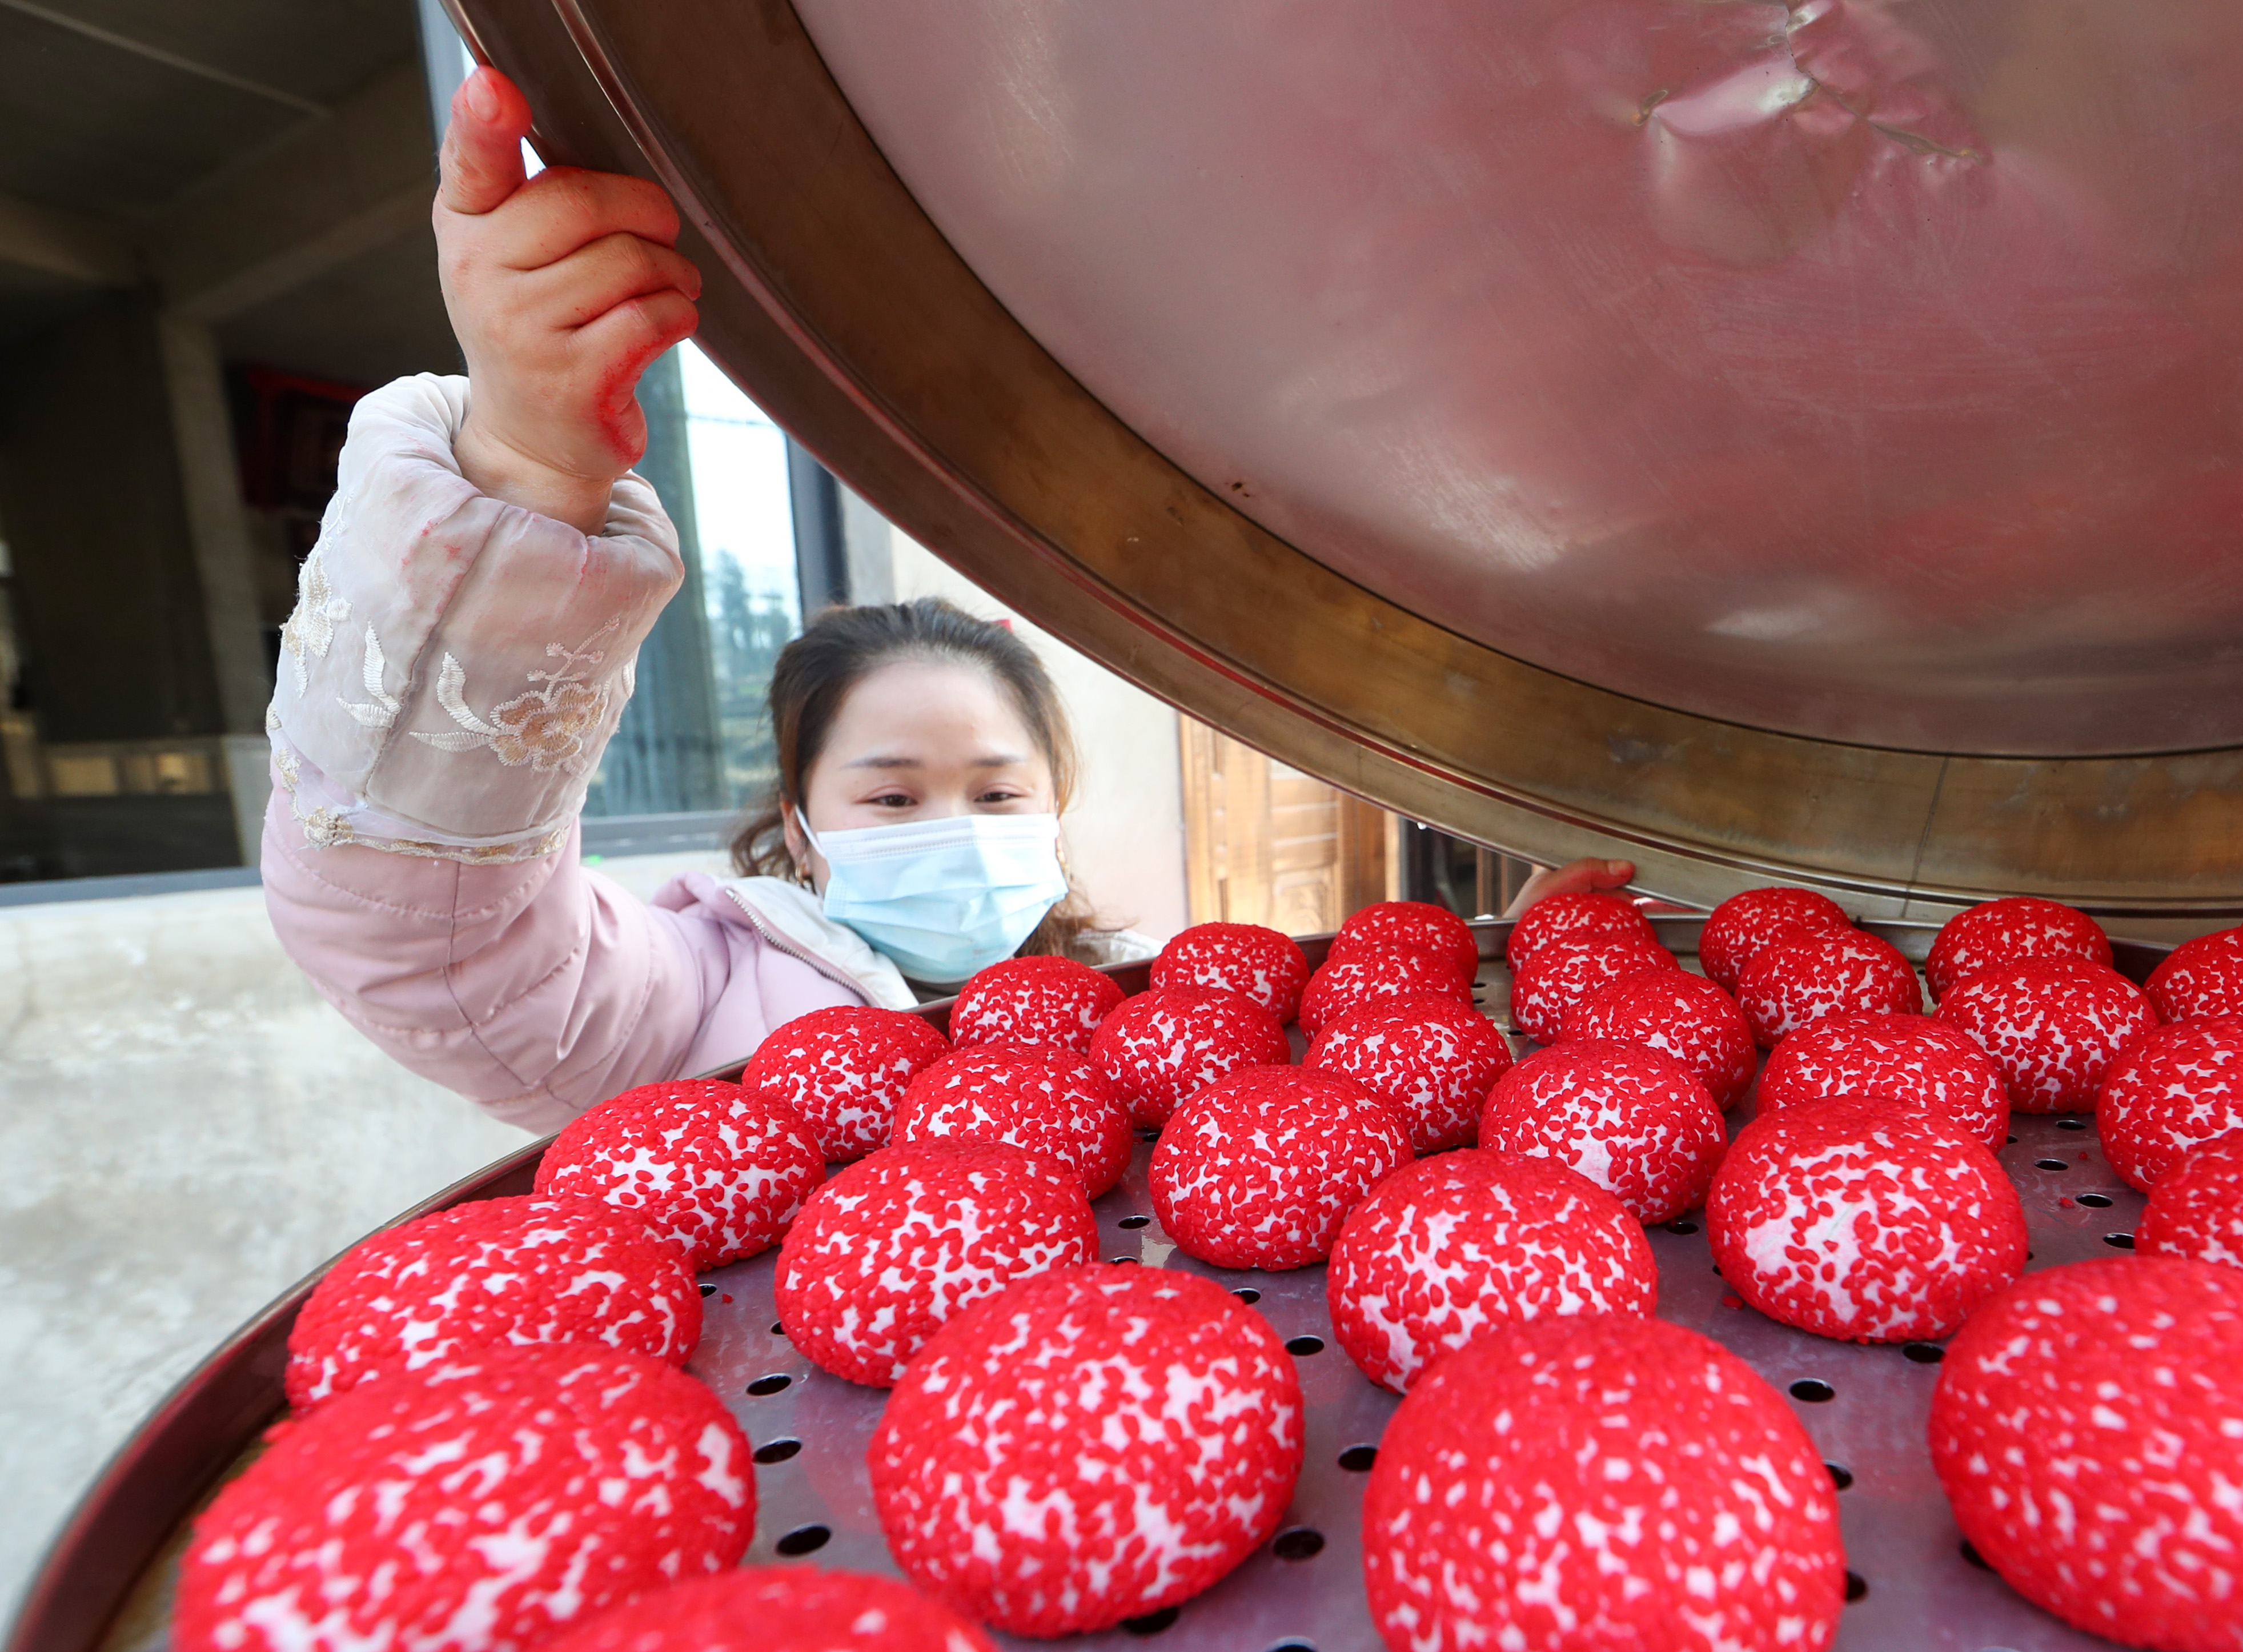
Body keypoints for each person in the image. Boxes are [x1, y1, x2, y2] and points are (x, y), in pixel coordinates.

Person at [264, 67, 1622, 1131]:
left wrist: (1517, 970)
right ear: (802, 826)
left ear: (1055, 806)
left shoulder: (1146, 995)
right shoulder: (690, 1008)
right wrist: (522, 467)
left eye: (995, 788)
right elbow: (424, 949)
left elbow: (1354, 1087)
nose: (957, 829)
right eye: (894, 796)